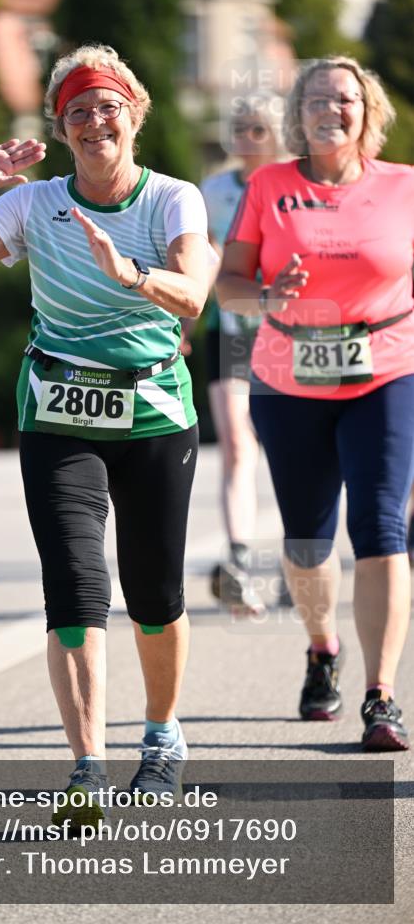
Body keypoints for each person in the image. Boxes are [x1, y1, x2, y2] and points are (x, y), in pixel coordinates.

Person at [0, 45, 212, 822]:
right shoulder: (33, 203)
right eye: (77, 109)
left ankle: (161, 736)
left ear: (134, 113)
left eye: (107, 105)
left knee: (153, 592)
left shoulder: (173, 199)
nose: (93, 120)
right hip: (58, 413)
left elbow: (193, 297)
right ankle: (86, 766)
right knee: (75, 589)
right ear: (61, 127)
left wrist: (130, 275)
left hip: (153, 412)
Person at [216, 56, 414, 752]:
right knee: (306, 540)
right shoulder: (268, 186)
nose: (332, 109)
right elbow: (228, 284)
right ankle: (321, 646)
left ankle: (380, 695)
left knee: (381, 526)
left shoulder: (404, 188)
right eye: (318, 100)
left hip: (385, 369)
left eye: (346, 99)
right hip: (288, 376)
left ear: (368, 113)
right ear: (297, 117)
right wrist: (267, 298)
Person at [200, 98, 283, 615]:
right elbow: (200, 260)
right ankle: (239, 560)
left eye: (256, 129)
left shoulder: (292, 186)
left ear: (275, 134)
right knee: (235, 442)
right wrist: (183, 319)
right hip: (228, 330)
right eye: (238, 129)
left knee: (292, 443)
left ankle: (304, 555)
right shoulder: (212, 191)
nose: (245, 138)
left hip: (283, 330)